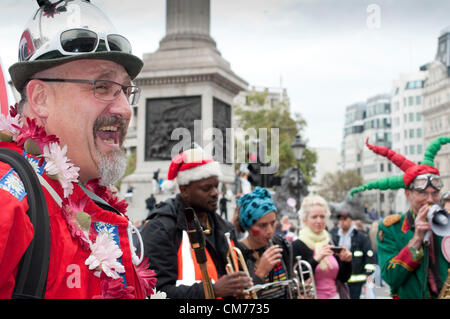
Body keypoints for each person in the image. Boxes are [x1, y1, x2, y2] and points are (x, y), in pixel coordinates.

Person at [0, 0, 156, 298]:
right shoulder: (9, 198)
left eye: (125, 90)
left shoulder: (92, 198)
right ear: (41, 98)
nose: (124, 109)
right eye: (102, 86)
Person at [140, 147, 253, 299]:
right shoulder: (160, 228)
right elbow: (155, 291)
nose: (215, 193)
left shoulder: (224, 226)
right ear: (184, 189)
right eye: (206, 188)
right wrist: (211, 290)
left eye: (216, 186)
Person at [350, 137, 450, 299]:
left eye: (435, 193)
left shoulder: (446, 222)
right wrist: (416, 239)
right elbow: (391, 278)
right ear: (408, 195)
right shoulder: (391, 228)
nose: (430, 200)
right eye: (422, 193)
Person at [233, 187, 294, 299]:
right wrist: (260, 273)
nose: (270, 230)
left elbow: (289, 286)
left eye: (273, 223)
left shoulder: (282, 244)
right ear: (248, 226)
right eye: (262, 225)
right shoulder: (237, 253)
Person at [292, 195, 352, 299]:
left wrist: (347, 261)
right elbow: (297, 279)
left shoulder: (331, 240)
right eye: (314, 217)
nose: (319, 221)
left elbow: (343, 278)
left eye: (322, 216)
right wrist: (316, 259)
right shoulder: (297, 245)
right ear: (305, 220)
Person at [330, 211, 376, 299]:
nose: (342, 221)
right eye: (340, 219)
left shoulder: (360, 236)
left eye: (345, 219)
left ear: (351, 220)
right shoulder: (334, 235)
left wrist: (368, 273)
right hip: (339, 278)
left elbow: (369, 255)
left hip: (356, 279)